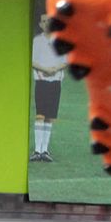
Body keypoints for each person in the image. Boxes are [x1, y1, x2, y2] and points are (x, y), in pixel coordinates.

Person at [29, 14, 67, 163]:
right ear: (40, 24)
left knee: (50, 117)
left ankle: (45, 150)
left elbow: (65, 61)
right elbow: (32, 60)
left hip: (55, 81)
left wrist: (55, 69)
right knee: (40, 115)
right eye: (44, 21)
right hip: (41, 81)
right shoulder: (37, 41)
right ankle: (37, 150)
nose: (47, 24)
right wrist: (45, 69)